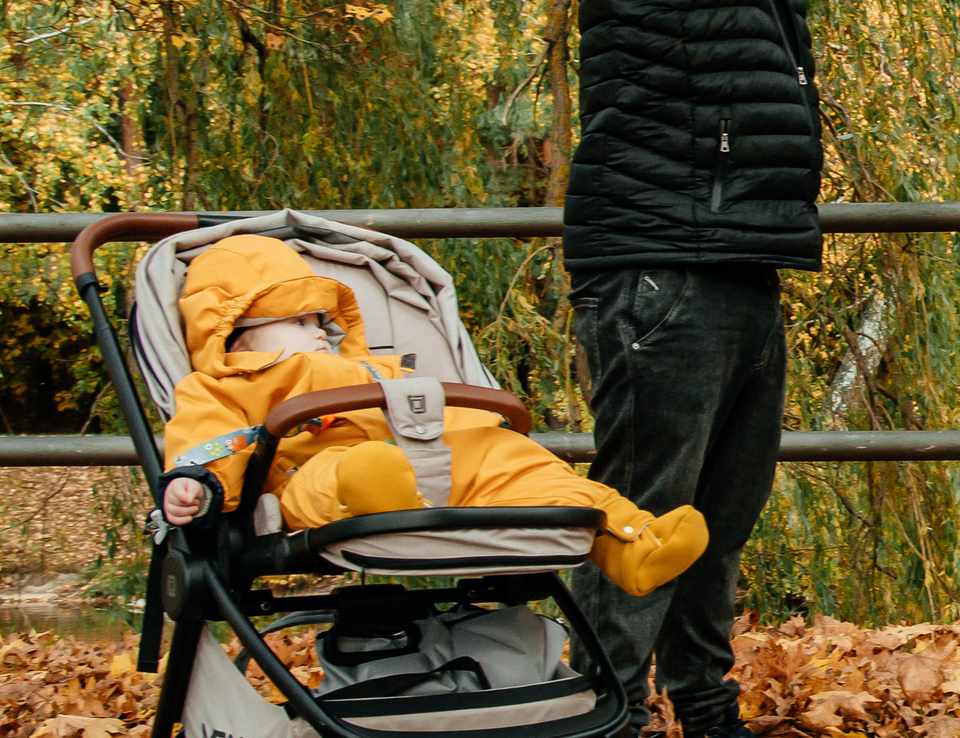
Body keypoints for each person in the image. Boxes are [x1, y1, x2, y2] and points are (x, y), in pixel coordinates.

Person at [563, 0, 923, 738]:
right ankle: (598, 737)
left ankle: (705, 723)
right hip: (656, 270)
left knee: (716, 516)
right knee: (641, 511)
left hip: (736, 263)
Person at [158, 235, 707, 597]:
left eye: (321, 320)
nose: (317, 332)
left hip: (426, 460)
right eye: (297, 320)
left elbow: (446, 413)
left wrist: (484, 433)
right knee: (348, 472)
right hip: (311, 475)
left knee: (518, 459)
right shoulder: (220, 386)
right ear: (236, 333)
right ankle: (381, 498)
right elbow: (203, 442)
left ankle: (630, 540)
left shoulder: (374, 368)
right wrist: (194, 485)